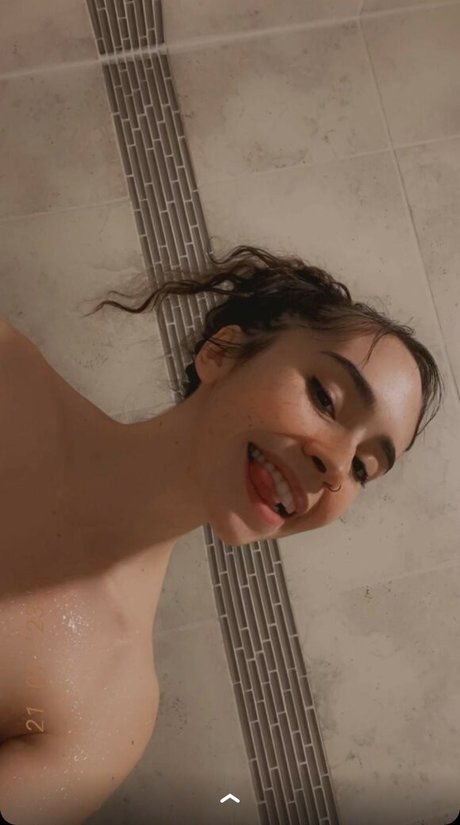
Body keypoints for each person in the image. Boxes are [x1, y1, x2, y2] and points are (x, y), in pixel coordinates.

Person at [0, 245, 444, 824]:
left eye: (363, 467)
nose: (336, 466)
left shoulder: (108, 706)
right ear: (223, 352)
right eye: (325, 397)